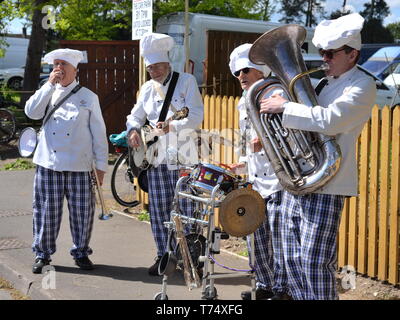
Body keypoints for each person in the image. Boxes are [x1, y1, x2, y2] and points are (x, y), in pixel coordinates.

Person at [259, 13, 377, 300]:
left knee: (313, 263)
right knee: (291, 260)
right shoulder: (323, 83)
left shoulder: (362, 85)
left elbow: (329, 121)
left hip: (329, 183)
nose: (323, 58)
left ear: (352, 54)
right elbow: (304, 125)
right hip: (299, 180)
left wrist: (285, 108)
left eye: (330, 53)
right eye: (321, 52)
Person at [126, 33, 204, 275]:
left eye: (157, 67)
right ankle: (164, 256)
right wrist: (133, 130)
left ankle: (190, 260)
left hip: (184, 156)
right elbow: (134, 115)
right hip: (157, 158)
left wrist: (173, 126)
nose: (154, 72)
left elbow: (195, 116)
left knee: (187, 210)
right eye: (150, 68)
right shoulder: (147, 88)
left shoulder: (187, 81)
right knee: (159, 209)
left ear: (168, 63)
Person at [25, 48, 108, 274]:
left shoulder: (89, 97)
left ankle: (81, 253)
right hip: (48, 164)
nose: (59, 69)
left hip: (79, 166)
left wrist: (100, 167)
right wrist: (48, 85)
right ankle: (42, 254)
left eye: (64, 65)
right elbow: (31, 112)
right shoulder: (47, 91)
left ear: (75, 69)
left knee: (82, 212)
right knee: (45, 212)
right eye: (56, 64)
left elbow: (99, 135)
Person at [228, 43, 290, 300]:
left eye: (246, 70)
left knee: (278, 240)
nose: (241, 76)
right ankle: (264, 285)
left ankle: (282, 289)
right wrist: (241, 162)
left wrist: (265, 139)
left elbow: (289, 129)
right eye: (237, 72)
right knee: (257, 237)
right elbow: (246, 140)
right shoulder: (244, 100)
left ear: (259, 70)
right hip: (256, 178)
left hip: (277, 180)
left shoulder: (274, 90)